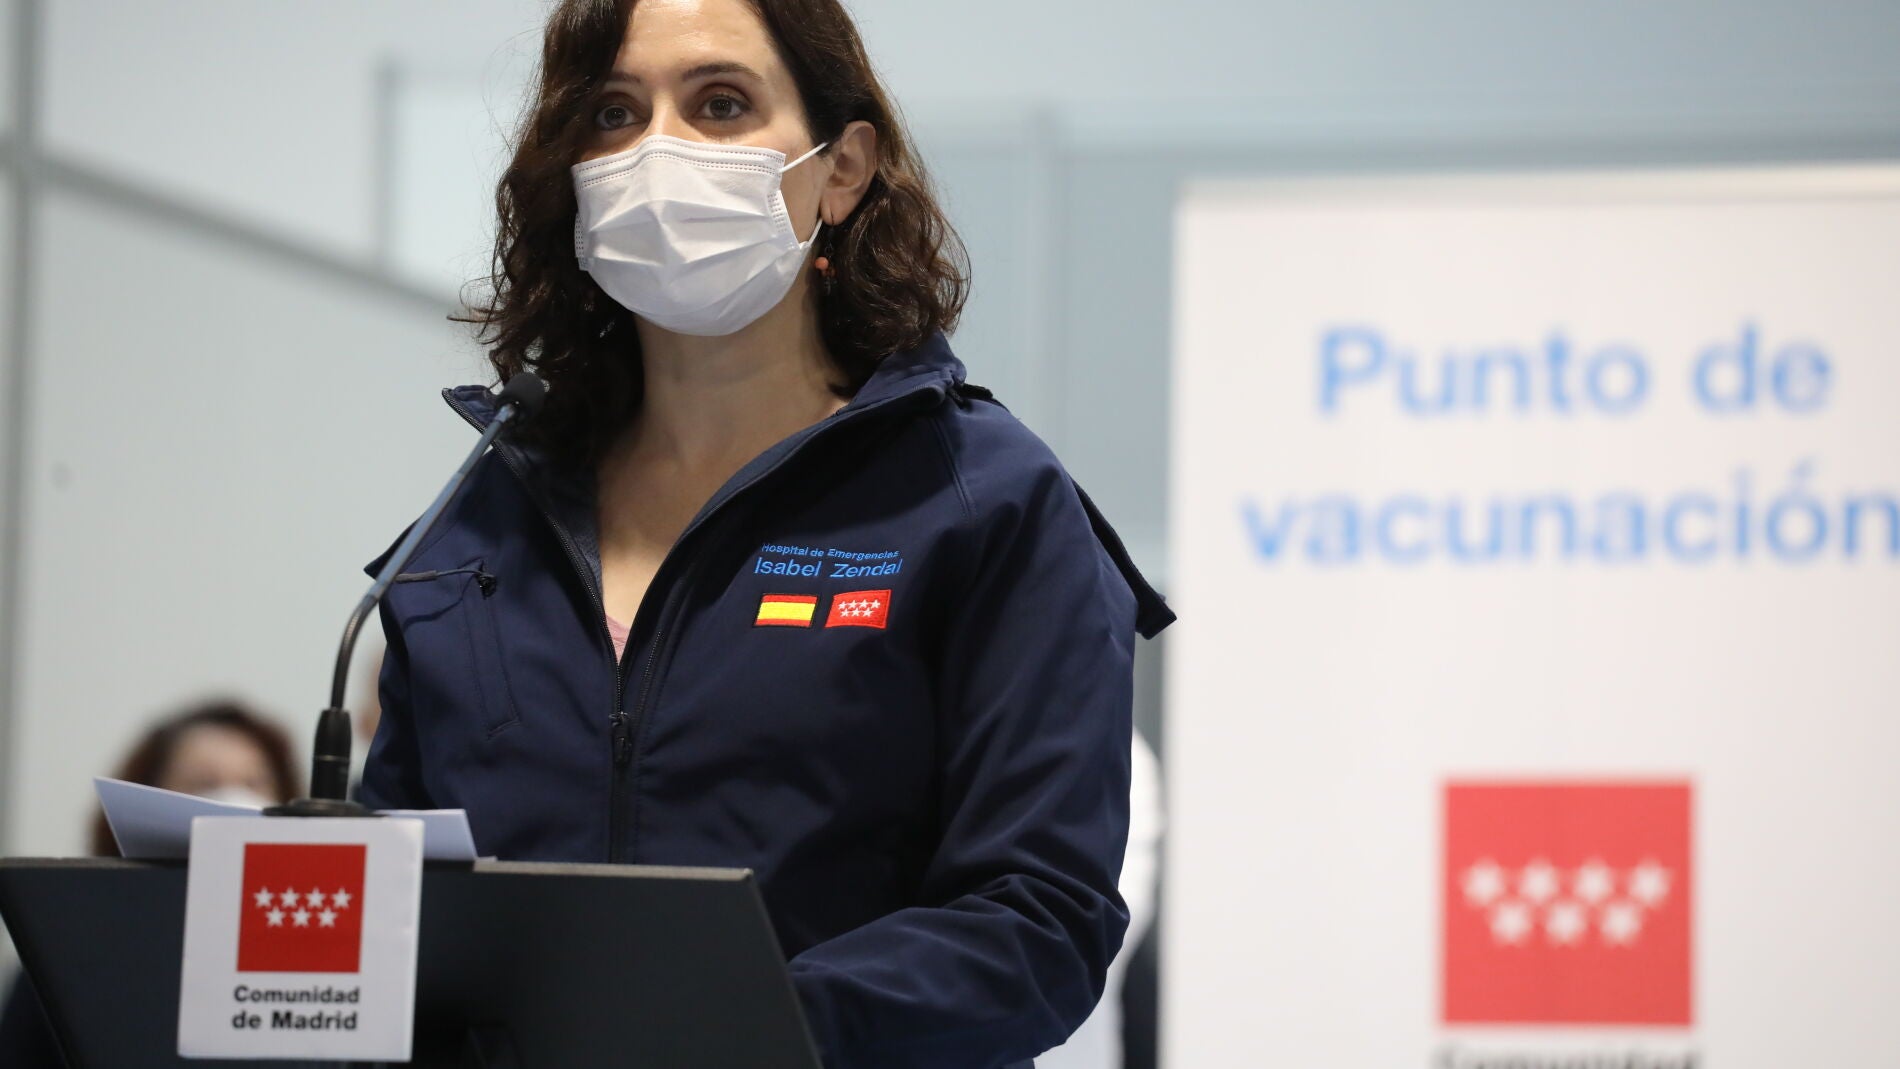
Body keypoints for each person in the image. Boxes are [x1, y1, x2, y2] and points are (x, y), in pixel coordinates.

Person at [357, 2, 1175, 1066]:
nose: (656, 150)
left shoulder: (983, 501)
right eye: (613, 112)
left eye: (720, 104)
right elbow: (398, 915)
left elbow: (1039, 921)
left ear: (843, 169)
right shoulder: (484, 513)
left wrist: (736, 1027)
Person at [0, 700, 299, 1067]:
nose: (233, 798)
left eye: (253, 783)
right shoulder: (70, 953)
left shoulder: (308, 951)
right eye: (204, 783)